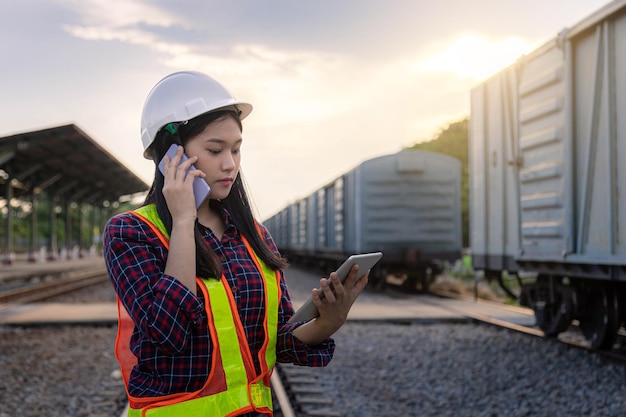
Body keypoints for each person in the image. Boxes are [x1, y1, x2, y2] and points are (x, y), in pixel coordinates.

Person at [103, 70, 369, 417]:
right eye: (215, 150)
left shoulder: (255, 236)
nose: (230, 164)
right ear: (170, 155)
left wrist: (329, 321)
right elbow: (167, 335)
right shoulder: (130, 233)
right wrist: (184, 221)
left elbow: (279, 343)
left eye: (237, 149)